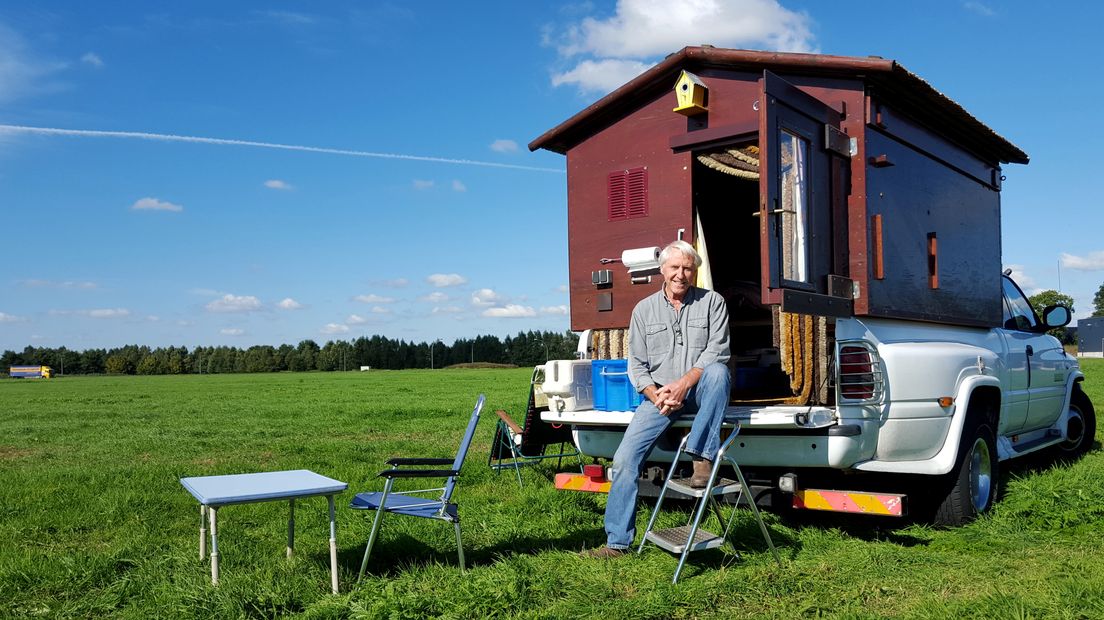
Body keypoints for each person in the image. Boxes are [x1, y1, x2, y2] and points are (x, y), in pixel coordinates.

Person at [582, 239, 731, 559]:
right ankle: (617, 543)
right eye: (675, 267)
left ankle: (702, 459)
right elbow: (636, 364)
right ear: (662, 270)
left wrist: (683, 385)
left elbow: (718, 349)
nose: (681, 274)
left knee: (719, 372)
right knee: (624, 460)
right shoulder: (643, 310)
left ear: (695, 272)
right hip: (660, 397)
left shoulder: (712, 302)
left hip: (700, 388)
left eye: (688, 268)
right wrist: (655, 393)